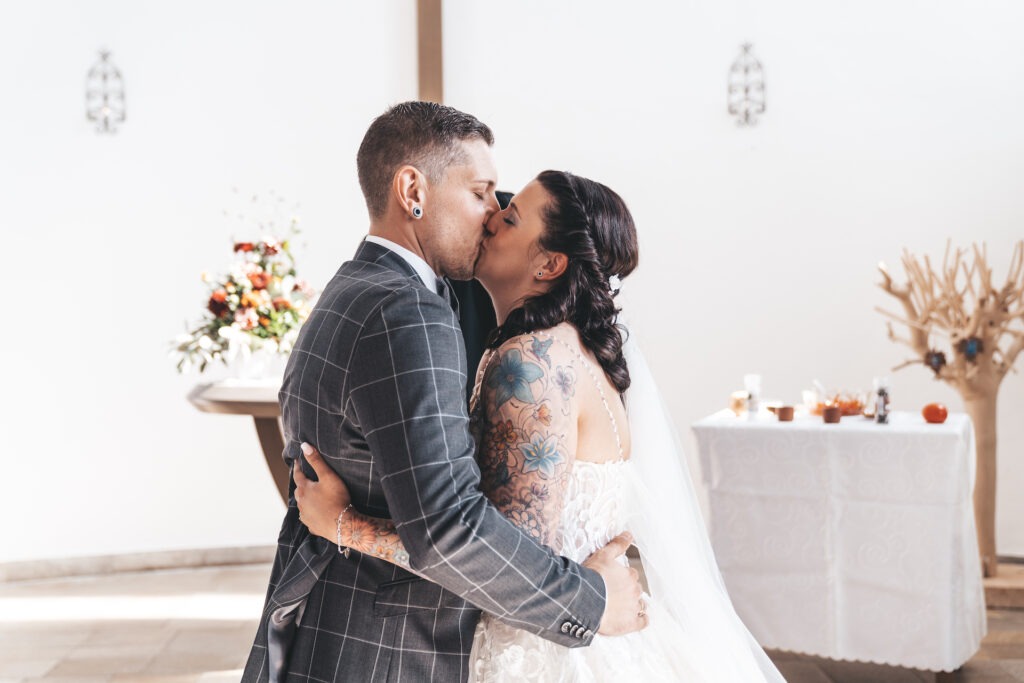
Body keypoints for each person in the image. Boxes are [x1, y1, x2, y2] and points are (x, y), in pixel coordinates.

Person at [293, 170, 788, 681]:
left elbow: (508, 557)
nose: (490, 218)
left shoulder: (530, 365)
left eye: (510, 218)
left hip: (543, 650)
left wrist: (345, 525)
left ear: (550, 264)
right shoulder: (576, 351)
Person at [241, 102, 647, 683]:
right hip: (388, 650)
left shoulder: (354, 289)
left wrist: (342, 523)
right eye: (481, 193)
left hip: (346, 631)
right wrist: (593, 602)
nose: (492, 213)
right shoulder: (408, 313)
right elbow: (448, 529)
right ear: (413, 191)